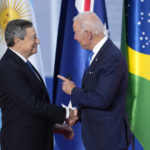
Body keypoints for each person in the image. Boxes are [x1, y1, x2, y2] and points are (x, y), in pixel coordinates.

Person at [58, 12, 131, 150]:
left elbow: (101, 99)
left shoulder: (111, 57)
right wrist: (78, 113)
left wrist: (73, 90)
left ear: (88, 34)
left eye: (76, 32)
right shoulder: (99, 54)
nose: (74, 37)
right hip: (100, 138)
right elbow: (95, 92)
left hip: (109, 140)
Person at [0, 19, 78, 150]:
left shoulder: (23, 64)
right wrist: (66, 113)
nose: (38, 41)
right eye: (34, 38)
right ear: (18, 42)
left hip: (35, 141)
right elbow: (32, 105)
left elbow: (27, 113)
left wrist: (57, 127)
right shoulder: (9, 68)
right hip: (22, 144)